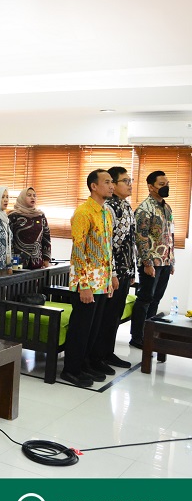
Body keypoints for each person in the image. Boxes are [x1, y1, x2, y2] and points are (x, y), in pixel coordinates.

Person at [61, 169, 114, 388]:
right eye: (107, 182)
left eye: (112, 182)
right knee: (81, 328)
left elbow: (107, 249)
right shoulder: (83, 212)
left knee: (94, 328)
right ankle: (71, 369)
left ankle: (84, 364)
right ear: (94, 186)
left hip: (101, 281)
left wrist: (109, 280)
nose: (111, 186)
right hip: (87, 283)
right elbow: (78, 251)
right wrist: (84, 285)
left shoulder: (106, 212)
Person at [90, 166, 136, 370]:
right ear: (114, 185)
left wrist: (132, 270)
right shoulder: (110, 208)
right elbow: (109, 245)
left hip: (125, 270)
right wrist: (113, 273)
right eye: (125, 181)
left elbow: (129, 242)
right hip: (112, 273)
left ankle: (108, 353)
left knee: (115, 316)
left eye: (130, 181)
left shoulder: (126, 206)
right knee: (106, 317)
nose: (130, 185)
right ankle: (98, 357)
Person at [130, 170, 175, 349]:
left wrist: (171, 260)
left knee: (156, 299)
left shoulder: (167, 207)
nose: (166, 187)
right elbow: (140, 238)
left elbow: (170, 235)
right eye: (162, 184)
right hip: (151, 263)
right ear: (151, 187)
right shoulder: (144, 209)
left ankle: (149, 334)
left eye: (167, 184)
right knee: (145, 299)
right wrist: (147, 263)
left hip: (165, 261)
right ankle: (137, 337)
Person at [8, 188, 52, 270]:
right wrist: (10, 262)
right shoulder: (13, 216)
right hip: (17, 261)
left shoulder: (40, 216)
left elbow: (46, 238)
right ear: (22, 198)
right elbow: (9, 240)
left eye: (34, 195)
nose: (32, 197)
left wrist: (46, 259)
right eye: (29, 195)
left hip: (37, 262)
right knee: (18, 278)